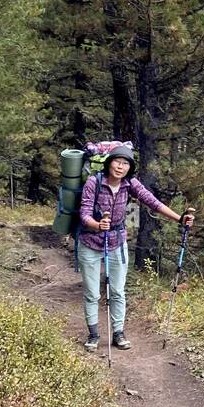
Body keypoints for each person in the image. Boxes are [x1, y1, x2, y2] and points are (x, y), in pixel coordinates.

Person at [77, 145, 194, 352]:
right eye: (117, 162)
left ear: (129, 168)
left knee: (117, 291)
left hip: (116, 242)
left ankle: (118, 333)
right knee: (92, 293)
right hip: (90, 242)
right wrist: (96, 225)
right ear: (109, 162)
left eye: (125, 164)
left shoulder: (130, 183)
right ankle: (93, 334)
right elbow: (84, 213)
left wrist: (179, 219)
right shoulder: (93, 182)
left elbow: (152, 202)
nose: (120, 167)